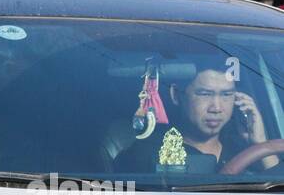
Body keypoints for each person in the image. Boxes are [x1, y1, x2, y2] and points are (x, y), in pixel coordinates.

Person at [117, 62, 280, 175]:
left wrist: (260, 144)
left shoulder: (244, 150)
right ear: (176, 95)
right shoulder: (147, 153)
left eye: (226, 95)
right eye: (205, 94)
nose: (216, 108)